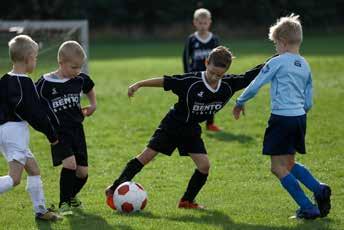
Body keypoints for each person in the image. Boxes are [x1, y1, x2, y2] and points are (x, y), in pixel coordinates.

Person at [105, 46, 264, 210]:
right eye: (212, 72)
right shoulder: (191, 82)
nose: (215, 77)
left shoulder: (228, 85)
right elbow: (166, 81)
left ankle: (187, 201)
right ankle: (113, 188)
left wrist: (280, 57)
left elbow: (251, 75)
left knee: (204, 166)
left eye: (220, 75)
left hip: (191, 130)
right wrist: (139, 84)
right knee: (147, 157)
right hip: (172, 125)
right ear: (206, 62)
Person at [232, 14, 331, 219]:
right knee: (289, 163)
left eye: (275, 44)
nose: (275, 48)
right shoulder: (305, 64)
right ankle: (319, 189)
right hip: (299, 118)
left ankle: (307, 207)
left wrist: (240, 102)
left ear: (283, 42)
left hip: (281, 119)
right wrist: (299, 113)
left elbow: (256, 85)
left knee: (277, 168)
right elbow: (309, 100)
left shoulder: (278, 61)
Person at [0, 35, 62, 221]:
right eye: (35, 58)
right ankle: (41, 211)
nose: (36, 61)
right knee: (14, 178)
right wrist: (52, 135)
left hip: (6, 131)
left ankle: (41, 211)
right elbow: (36, 115)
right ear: (27, 59)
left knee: (34, 170)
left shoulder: (4, 80)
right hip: (15, 133)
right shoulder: (24, 82)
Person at [35, 41, 96, 215]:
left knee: (83, 173)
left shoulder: (79, 79)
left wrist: (93, 104)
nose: (77, 71)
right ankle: (63, 203)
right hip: (59, 133)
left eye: (80, 67)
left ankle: (71, 197)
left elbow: (89, 86)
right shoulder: (45, 83)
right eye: (74, 67)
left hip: (77, 130)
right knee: (70, 165)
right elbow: (31, 99)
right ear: (61, 62)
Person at [183, 8, 221, 132]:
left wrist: (218, 73)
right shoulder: (191, 39)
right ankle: (191, 122)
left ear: (209, 22)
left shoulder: (214, 39)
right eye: (200, 23)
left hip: (210, 76)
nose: (203, 25)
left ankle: (210, 124)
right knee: (194, 99)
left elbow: (219, 57)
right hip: (195, 75)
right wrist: (188, 74)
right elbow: (186, 57)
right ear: (195, 22)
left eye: (205, 23)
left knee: (211, 99)